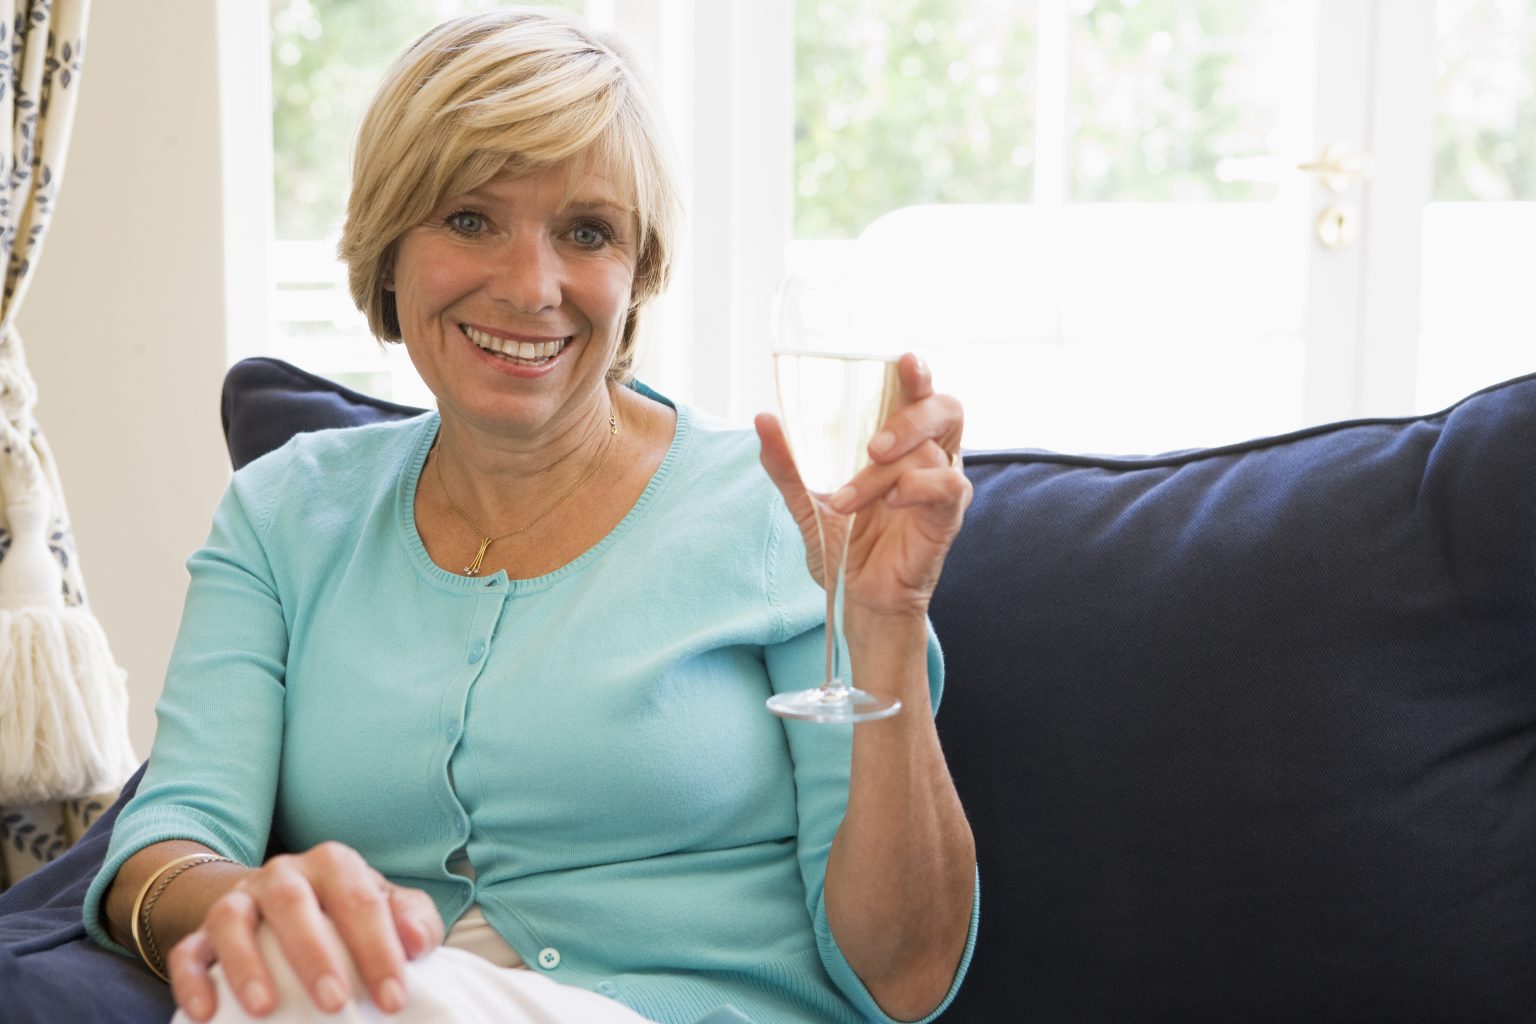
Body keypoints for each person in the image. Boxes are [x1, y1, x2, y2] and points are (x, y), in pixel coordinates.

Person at [83, 8, 977, 1023]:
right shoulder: (286, 512)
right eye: (471, 219)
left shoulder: (783, 512)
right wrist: (249, 904)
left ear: (636, 276)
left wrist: (886, 625)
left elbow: (905, 978)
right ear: (390, 250)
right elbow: (167, 843)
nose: (531, 285)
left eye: (586, 232)